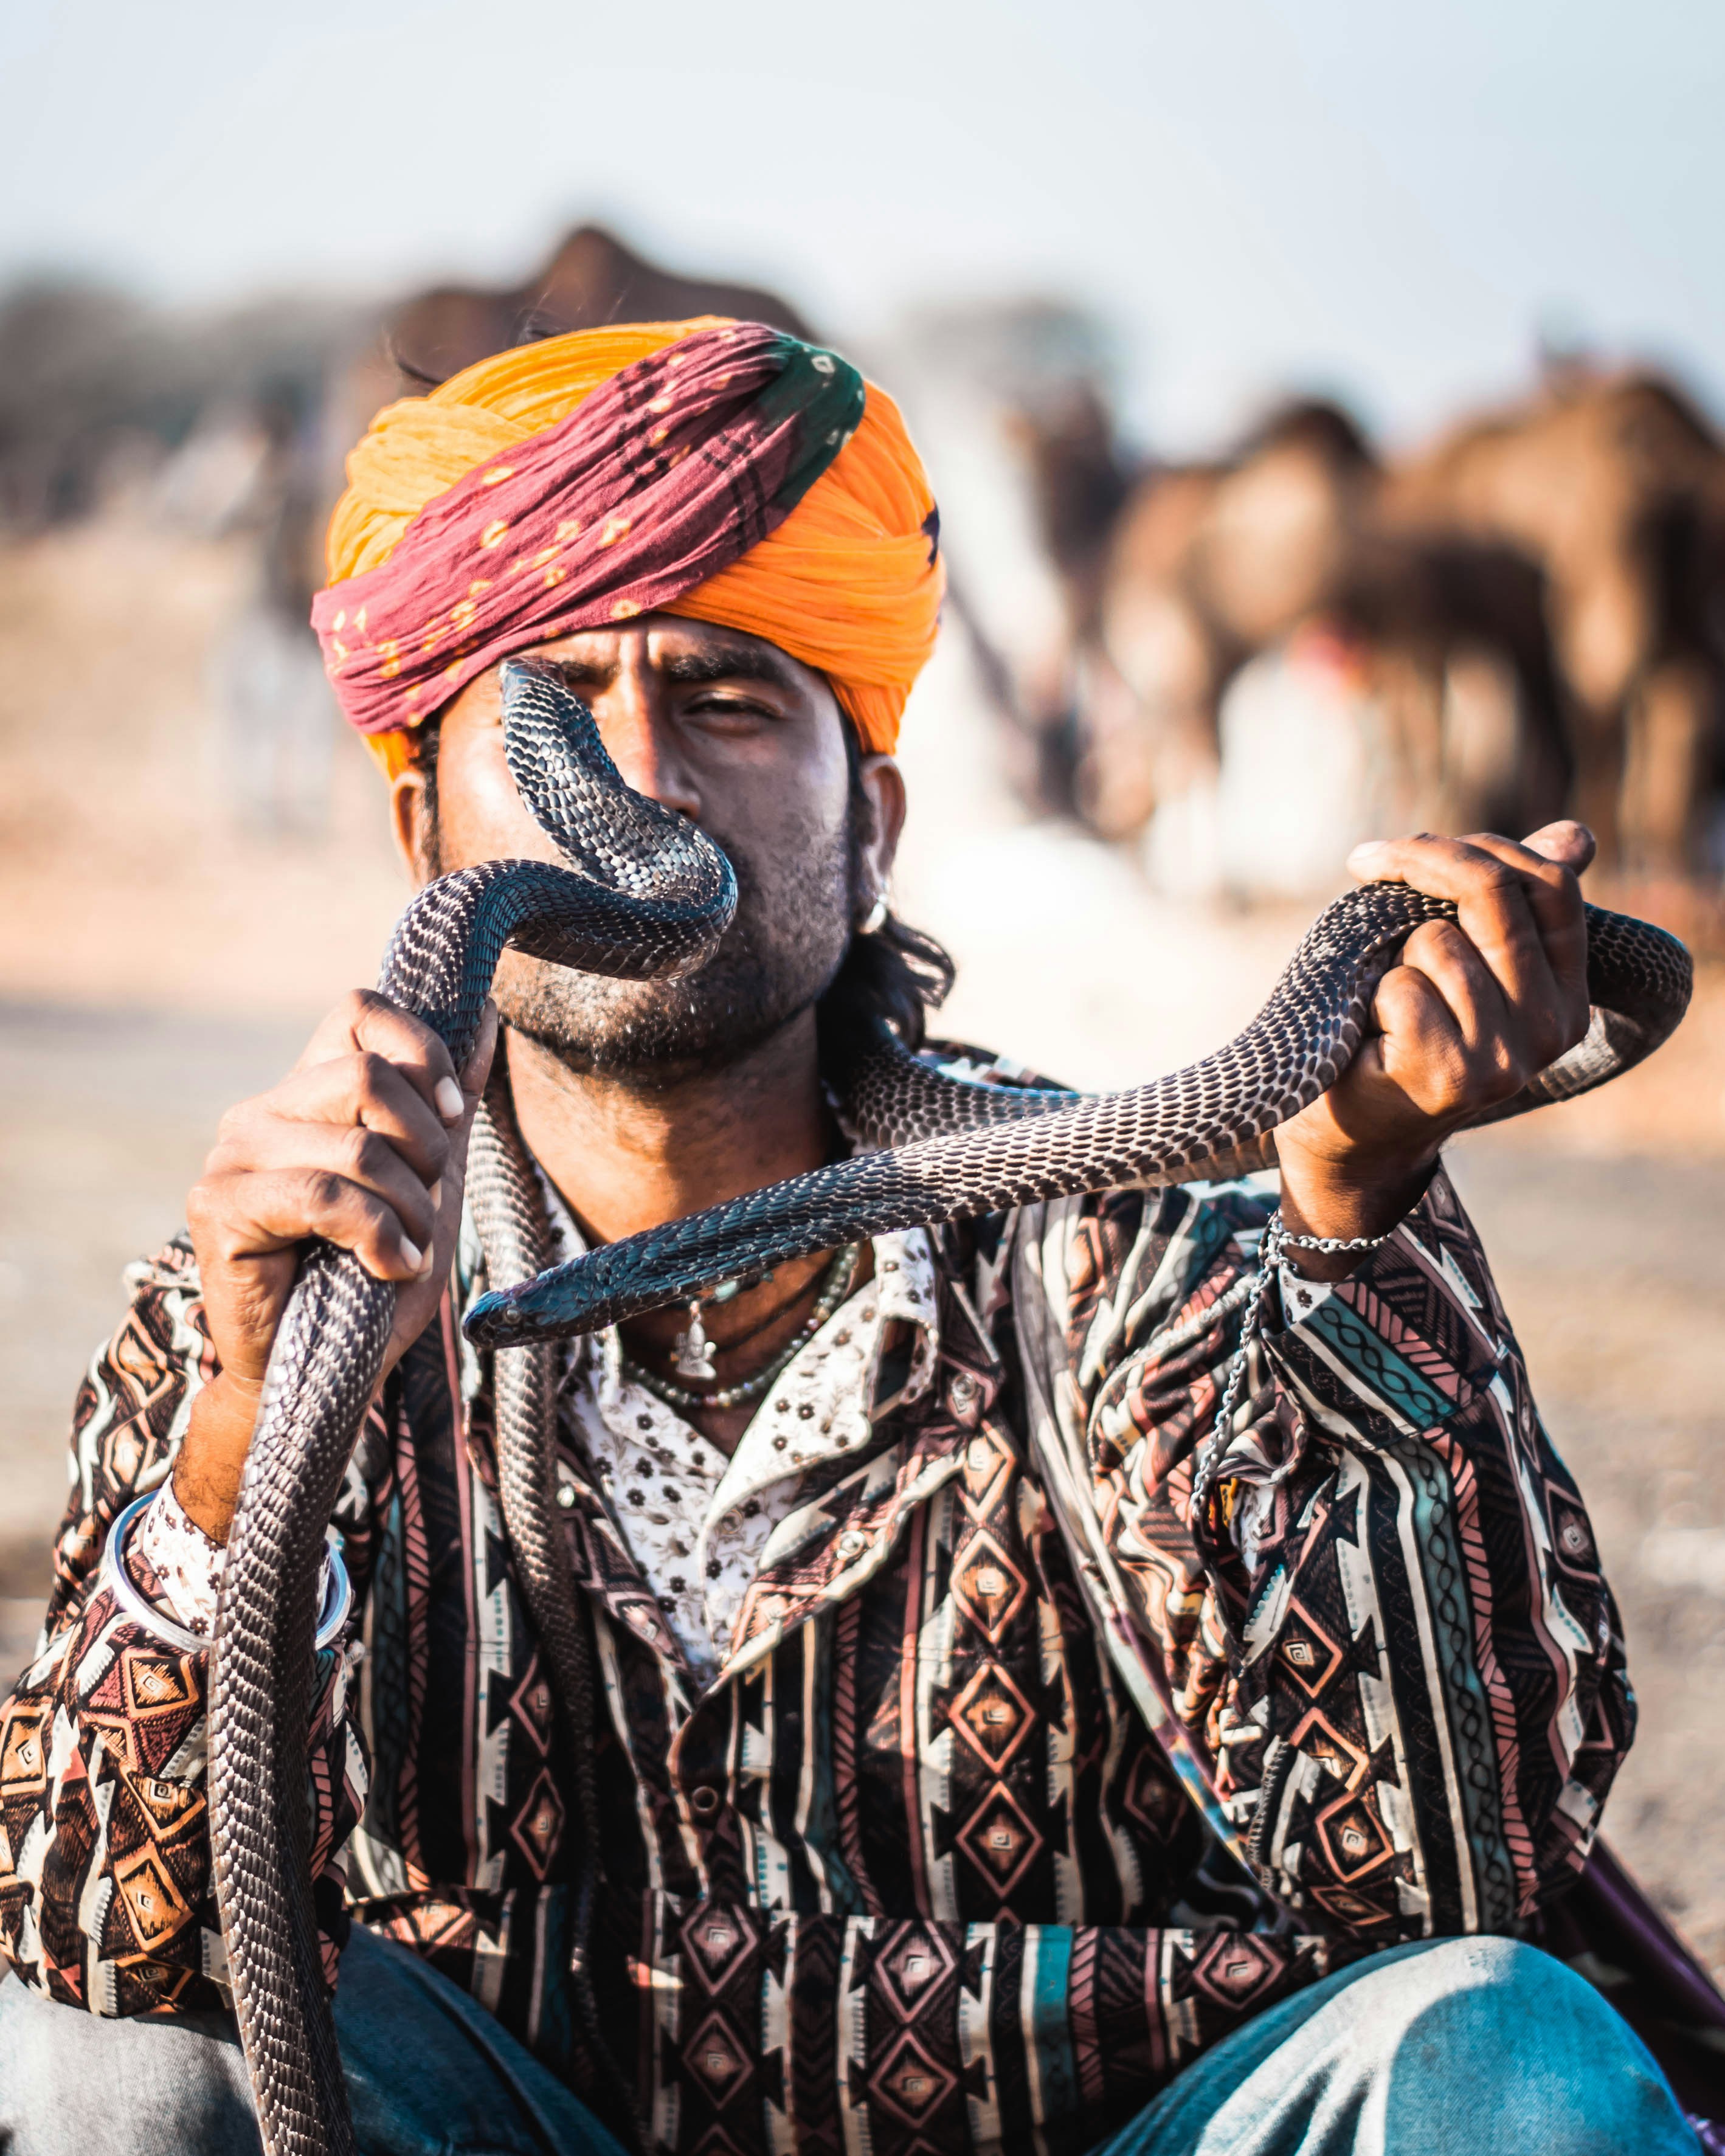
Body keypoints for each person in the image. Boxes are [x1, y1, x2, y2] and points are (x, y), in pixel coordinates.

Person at [0, 318, 1699, 2155]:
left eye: (731, 698)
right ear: (425, 825)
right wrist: (259, 1422)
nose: (642, 771)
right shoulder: (286, 1275)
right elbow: (82, 1936)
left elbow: (1466, 1870)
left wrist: (1360, 1224)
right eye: (559, 705)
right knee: (126, 2065)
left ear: (872, 823)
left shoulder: (1132, 1248)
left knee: (1498, 2056)